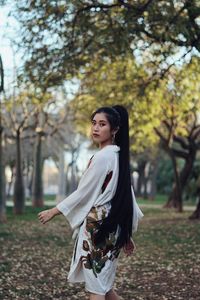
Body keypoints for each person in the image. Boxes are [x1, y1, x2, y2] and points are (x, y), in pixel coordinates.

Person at [38, 105, 143, 300]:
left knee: (96, 289)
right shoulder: (119, 156)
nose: (95, 128)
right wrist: (124, 231)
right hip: (111, 227)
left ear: (115, 129)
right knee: (105, 287)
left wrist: (54, 210)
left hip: (99, 228)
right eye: (94, 123)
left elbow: (83, 193)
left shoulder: (103, 157)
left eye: (102, 124)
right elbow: (126, 197)